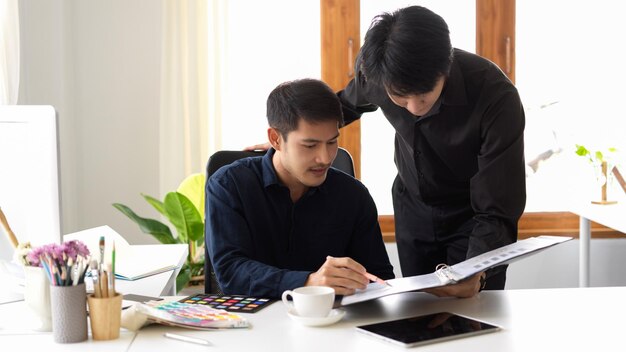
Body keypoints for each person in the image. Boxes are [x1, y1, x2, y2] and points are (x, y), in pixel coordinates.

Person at [337, 5, 526, 290]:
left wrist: (477, 273)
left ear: (445, 67)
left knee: (476, 315)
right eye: (401, 99)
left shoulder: (496, 97)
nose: (413, 109)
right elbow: (341, 106)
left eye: (424, 97)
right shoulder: (379, 75)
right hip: (413, 209)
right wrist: (294, 135)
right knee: (420, 311)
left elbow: (498, 211)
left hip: (474, 217)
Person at [205, 78, 395, 298]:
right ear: (275, 139)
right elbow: (230, 273)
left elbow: (379, 278)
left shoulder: (353, 195)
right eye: (310, 145)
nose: (324, 158)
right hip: (253, 325)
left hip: (334, 325)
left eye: (332, 142)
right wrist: (308, 282)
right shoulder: (229, 186)